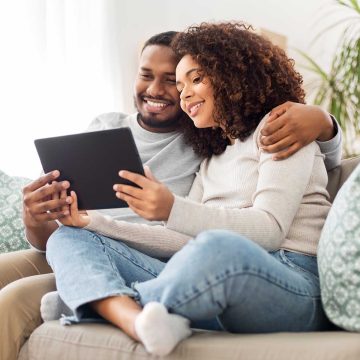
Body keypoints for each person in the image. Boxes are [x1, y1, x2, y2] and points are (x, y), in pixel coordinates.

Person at [0, 30, 340, 360]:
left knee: (216, 245)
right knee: (71, 237)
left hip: (292, 280)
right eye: (182, 85)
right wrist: (91, 222)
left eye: (195, 79)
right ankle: (134, 320)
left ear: (232, 75)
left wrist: (171, 208)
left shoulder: (281, 128)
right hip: (216, 282)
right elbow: (180, 241)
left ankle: (96, 303)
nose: (184, 93)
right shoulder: (214, 156)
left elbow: (269, 230)